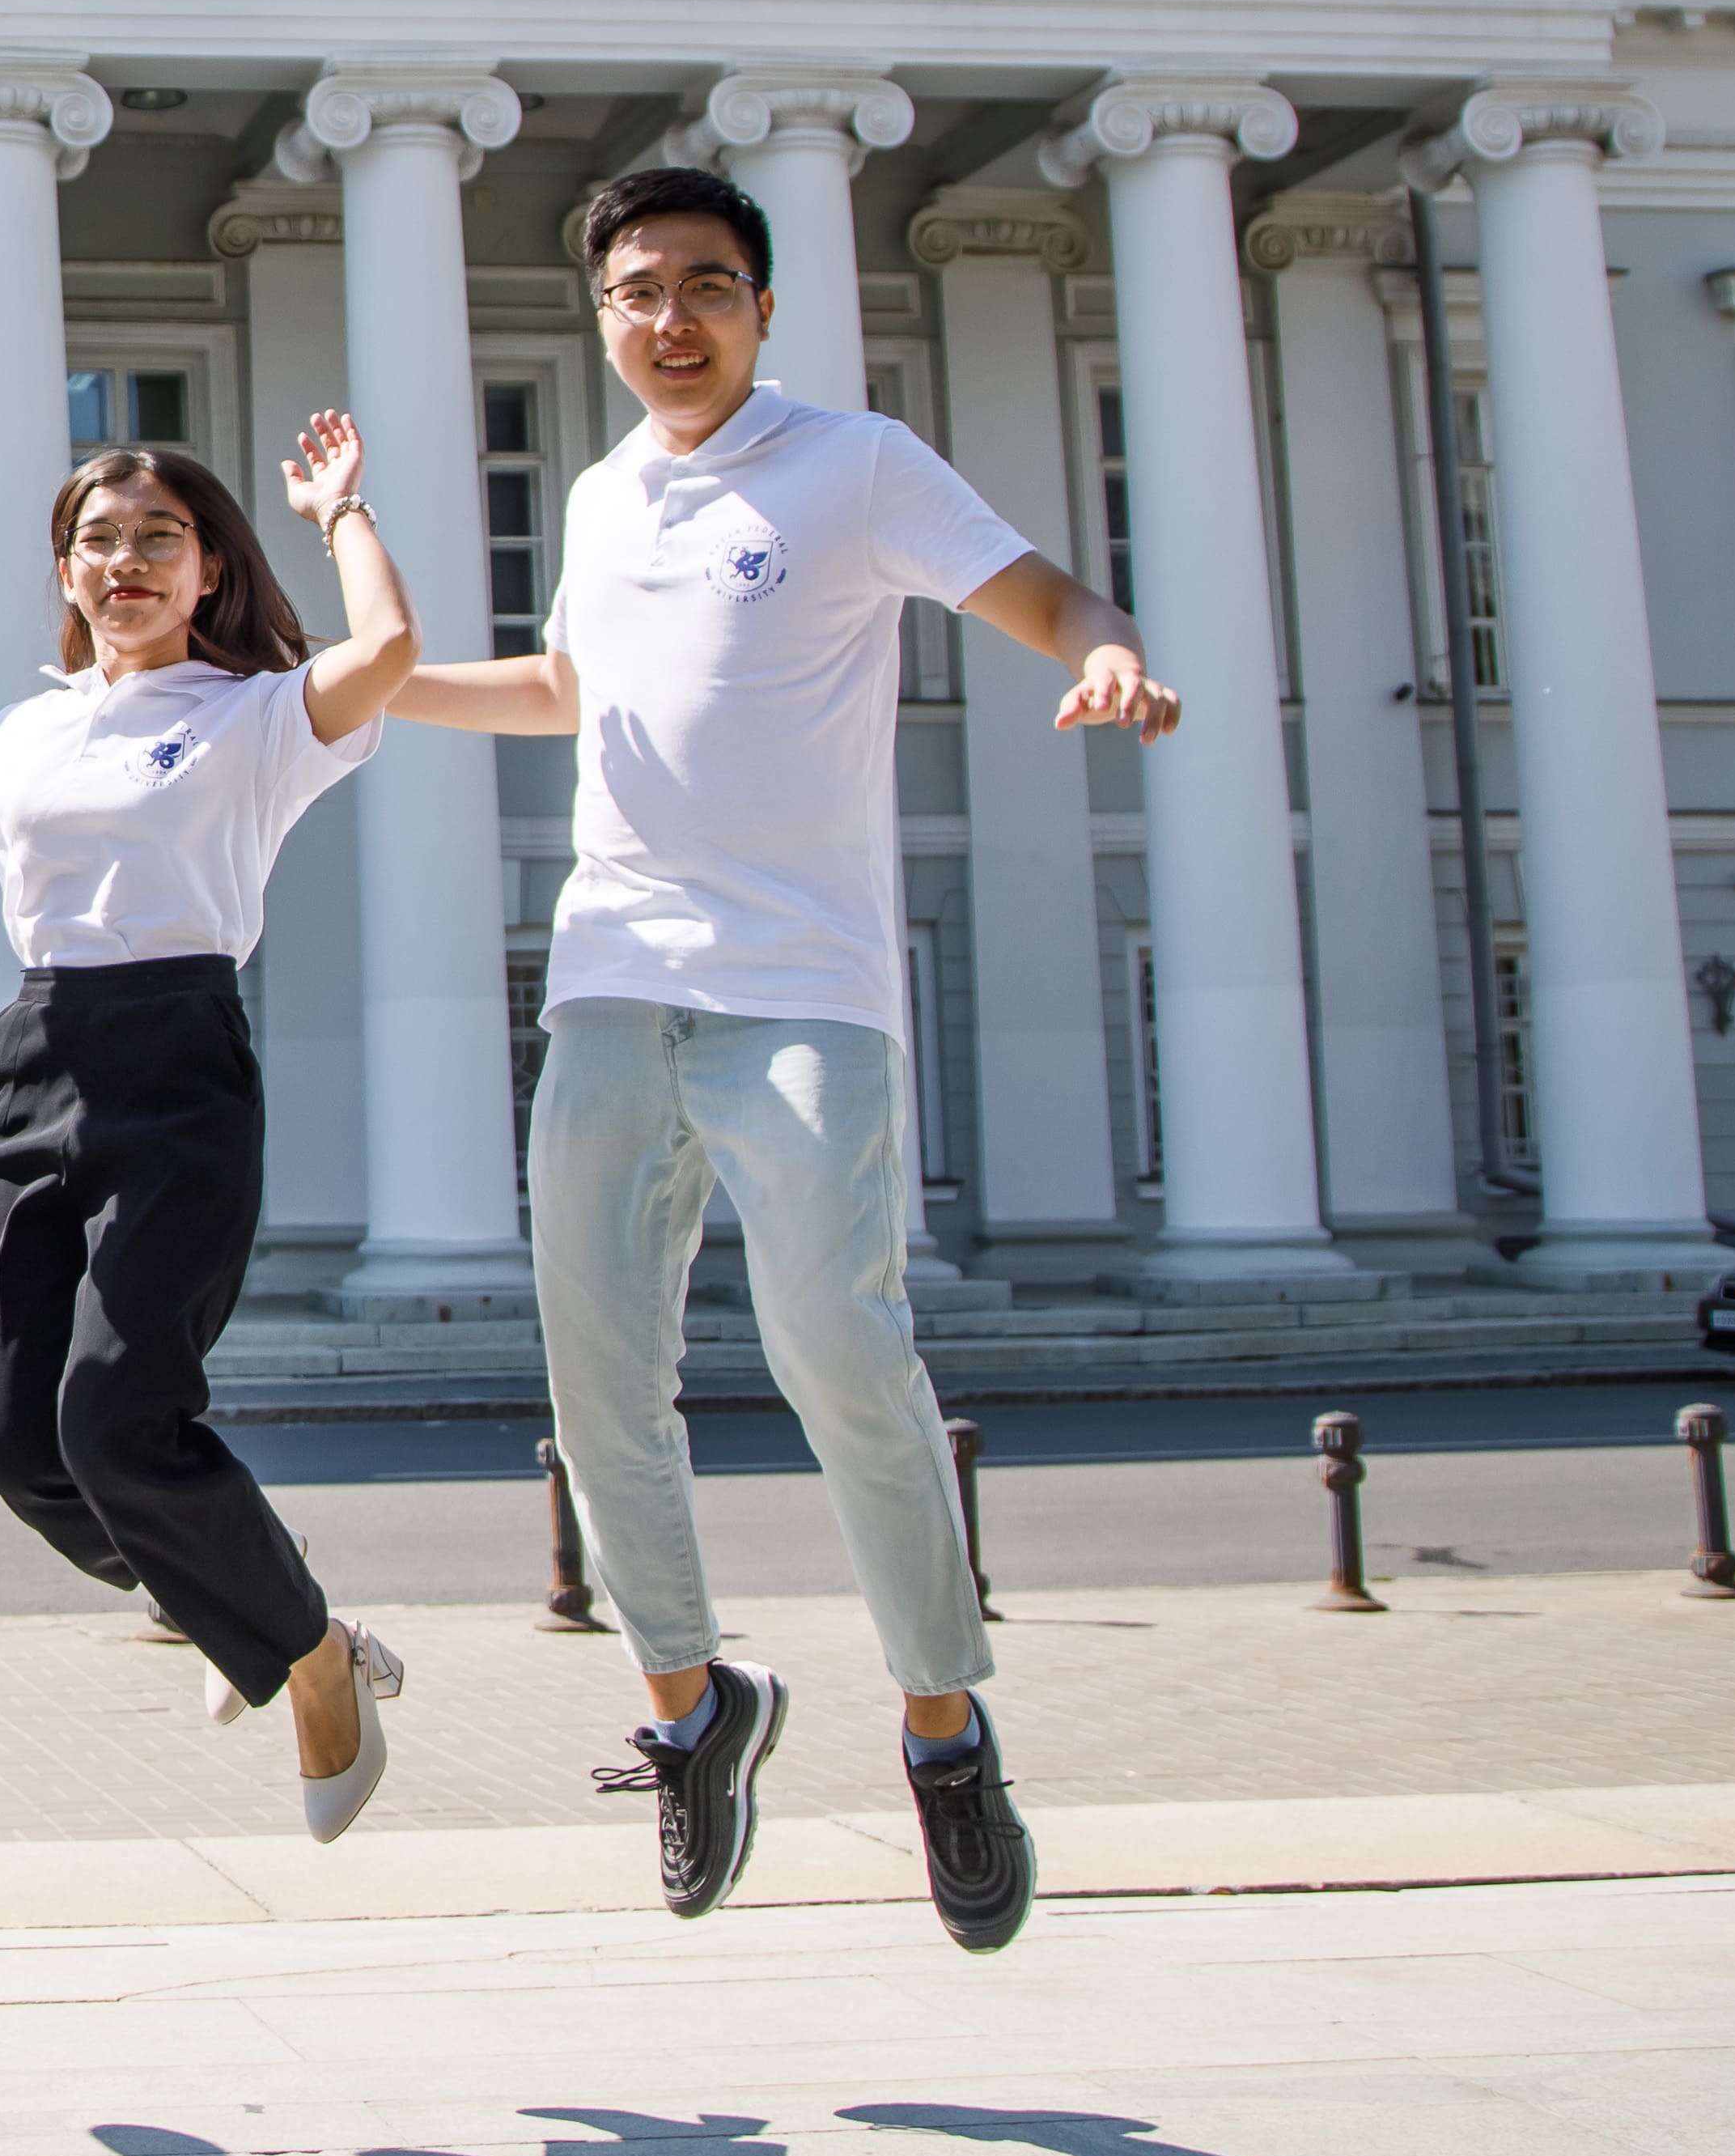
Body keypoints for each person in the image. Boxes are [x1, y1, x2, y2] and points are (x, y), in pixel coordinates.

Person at [390, 159, 1173, 1951]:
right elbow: (566, 689)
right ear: (600, 316)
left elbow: (1048, 595)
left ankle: (942, 1732)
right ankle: (693, 1709)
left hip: (805, 991)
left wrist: (1113, 655)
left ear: (760, 307)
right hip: (611, 978)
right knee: (598, 1379)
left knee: (838, 1347)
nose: (669, 320)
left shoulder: (854, 466)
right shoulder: (600, 496)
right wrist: (358, 686)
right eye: (636, 292)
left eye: (705, 286)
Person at [0, 418, 431, 1837]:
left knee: (115, 1415)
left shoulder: (254, 715)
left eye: (161, 537)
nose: (128, 562)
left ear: (210, 565)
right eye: (98, 541)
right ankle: (255, 1598)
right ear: (66, 573)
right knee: (10, 1438)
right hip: (36, 1060)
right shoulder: (28, 733)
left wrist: (341, 513)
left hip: (179, 1065)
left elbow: (391, 651)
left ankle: (312, 1660)